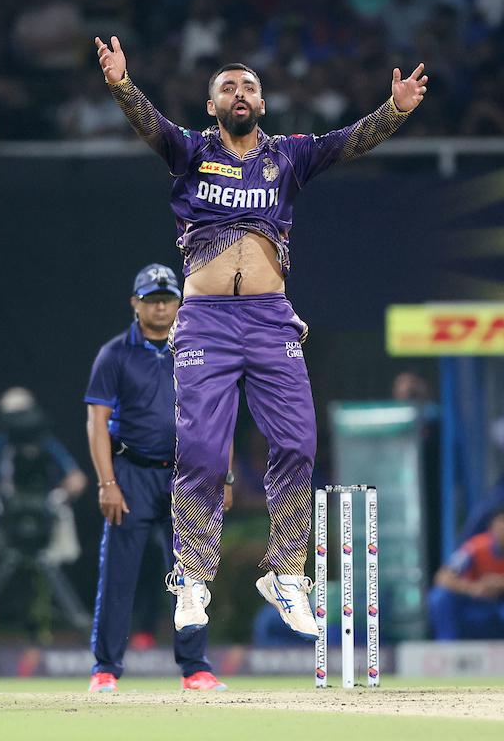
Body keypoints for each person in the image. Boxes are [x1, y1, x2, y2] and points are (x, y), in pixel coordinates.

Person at [95, 35, 427, 640]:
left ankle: (287, 575)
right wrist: (121, 84)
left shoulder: (288, 157)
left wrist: (395, 111)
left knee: (299, 443)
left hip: (271, 319)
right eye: (228, 87)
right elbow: (150, 125)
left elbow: (346, 143)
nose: (239, 93)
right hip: (206, 322)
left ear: (264, 104)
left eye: (249, 87)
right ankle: (192, 577)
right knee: (199, 451)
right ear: (211, 102)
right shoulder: (191, 152)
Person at [84, 264, 229, 693]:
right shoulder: (115, 354)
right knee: (119, 573)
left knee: (191, 577)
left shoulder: (197, 350)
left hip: (187, 474)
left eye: (168, 298)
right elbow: (97, 421)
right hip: (131, 472)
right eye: (152, 299)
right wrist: (107, 482)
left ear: (180, 303)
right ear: (136, 304)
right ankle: (105, 669)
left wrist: (225, 476)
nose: (161, 306)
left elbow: (219, 416)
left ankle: (195, 668)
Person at [0, 388, 88, 638]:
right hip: (2, 522)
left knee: (45, 573)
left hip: (41, 522)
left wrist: (57, 497)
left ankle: (46, 625)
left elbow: (77, 478)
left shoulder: (47, 446)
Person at [427, 506, 504, 639]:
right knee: (440, 596)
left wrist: (500, 583)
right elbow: (443, 576)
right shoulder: (475, 547)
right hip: (475, 598)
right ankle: (447, 644)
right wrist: (472, 588)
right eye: (503, 522)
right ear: (492, 526)